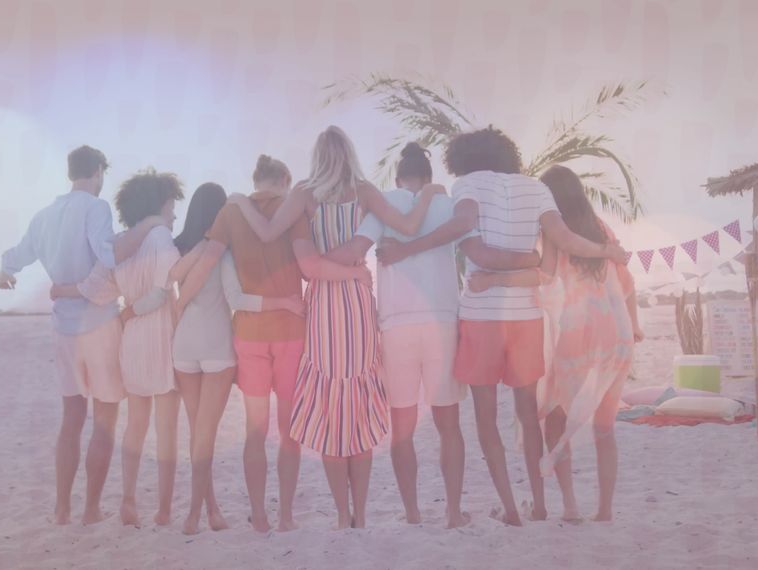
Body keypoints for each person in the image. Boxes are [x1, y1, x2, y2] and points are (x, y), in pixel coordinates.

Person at [376, 127, 626, 525]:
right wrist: (605, 251)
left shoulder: (468, 184)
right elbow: (563, 239)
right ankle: (540, 505)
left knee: (486, 420)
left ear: (464, 159)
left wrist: (407, 249)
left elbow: (471, 244)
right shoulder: (535, 188)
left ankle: (511, 508)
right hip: (526, 318)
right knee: (529, 416)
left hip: (482, 317)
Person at [230, 127, 430, 529]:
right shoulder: (365, 190)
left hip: (322, 304)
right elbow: (408, 227)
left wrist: (238, 201)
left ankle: (342, 514)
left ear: (318, 156)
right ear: (350, 154)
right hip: (356, 305)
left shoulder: (303, 193)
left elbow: (267, 233)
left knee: (333, 411)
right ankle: (360, 514)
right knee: (356, 411)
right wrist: (428, 194)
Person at [323, 143, 529, 528]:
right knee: (447, 424)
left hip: (396, 325)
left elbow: (356, 249)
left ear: (400, 177)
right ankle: (452, 512)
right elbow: (477, 250)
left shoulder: (383, 202)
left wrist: (312, 260)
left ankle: (413, 513)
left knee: (402, 428)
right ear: (429, 177)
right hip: (441, 322)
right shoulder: (448, 202)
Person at [181, 153, 368, 532]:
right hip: (291, 333)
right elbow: (307, 265)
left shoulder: (232, 213)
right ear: (285, 178)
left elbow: (205, 264)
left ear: (255, 179)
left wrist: (177, 306)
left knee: (255, 430)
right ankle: (285, 515)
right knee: (289, 431)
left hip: (249, 335)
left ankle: (260, 517)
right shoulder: (293, 210)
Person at [0, 145, 162, 526]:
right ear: (99, 172)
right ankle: (90, 509)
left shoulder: (44, 216)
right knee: (105, 419)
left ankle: (62, 508)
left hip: (63, 328)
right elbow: (108, 255)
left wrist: (4, 272)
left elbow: (16, 257)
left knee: (71, 418)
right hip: (100, 324)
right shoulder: (95, 208)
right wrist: (147, 226)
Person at [469, 165, 642, 522]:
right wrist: (636, 327)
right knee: (605, 426)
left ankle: (571, 507)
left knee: (554, 419)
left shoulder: (553, 232)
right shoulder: (602, 230)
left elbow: (543, 275)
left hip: (577, 335)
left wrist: (493, 279)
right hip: (617, 336)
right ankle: (605, 510)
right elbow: (628, 284)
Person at [48, 167, 184, 527]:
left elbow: (96, 289)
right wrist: (129, 315)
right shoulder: (161, 239)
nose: (174, 214)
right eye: (172, 205)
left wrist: (62, 290)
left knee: (135, 425)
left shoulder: (121, 244)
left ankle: (128, 500)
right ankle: (164, 509)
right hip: (158, 335)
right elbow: (160, 291)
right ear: (160, 204)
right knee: (166, 427)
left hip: (132, 341)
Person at [169, 182, 305, 535]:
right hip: (215, 347)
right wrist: (284, 303)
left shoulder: (183, 248)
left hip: (183, 345)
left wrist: (178, 307)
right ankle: (197, 513)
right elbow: (238, 299)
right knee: (207, 433)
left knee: (197, 432)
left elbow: (170, 281)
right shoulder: (224, 254)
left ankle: (209, 509)